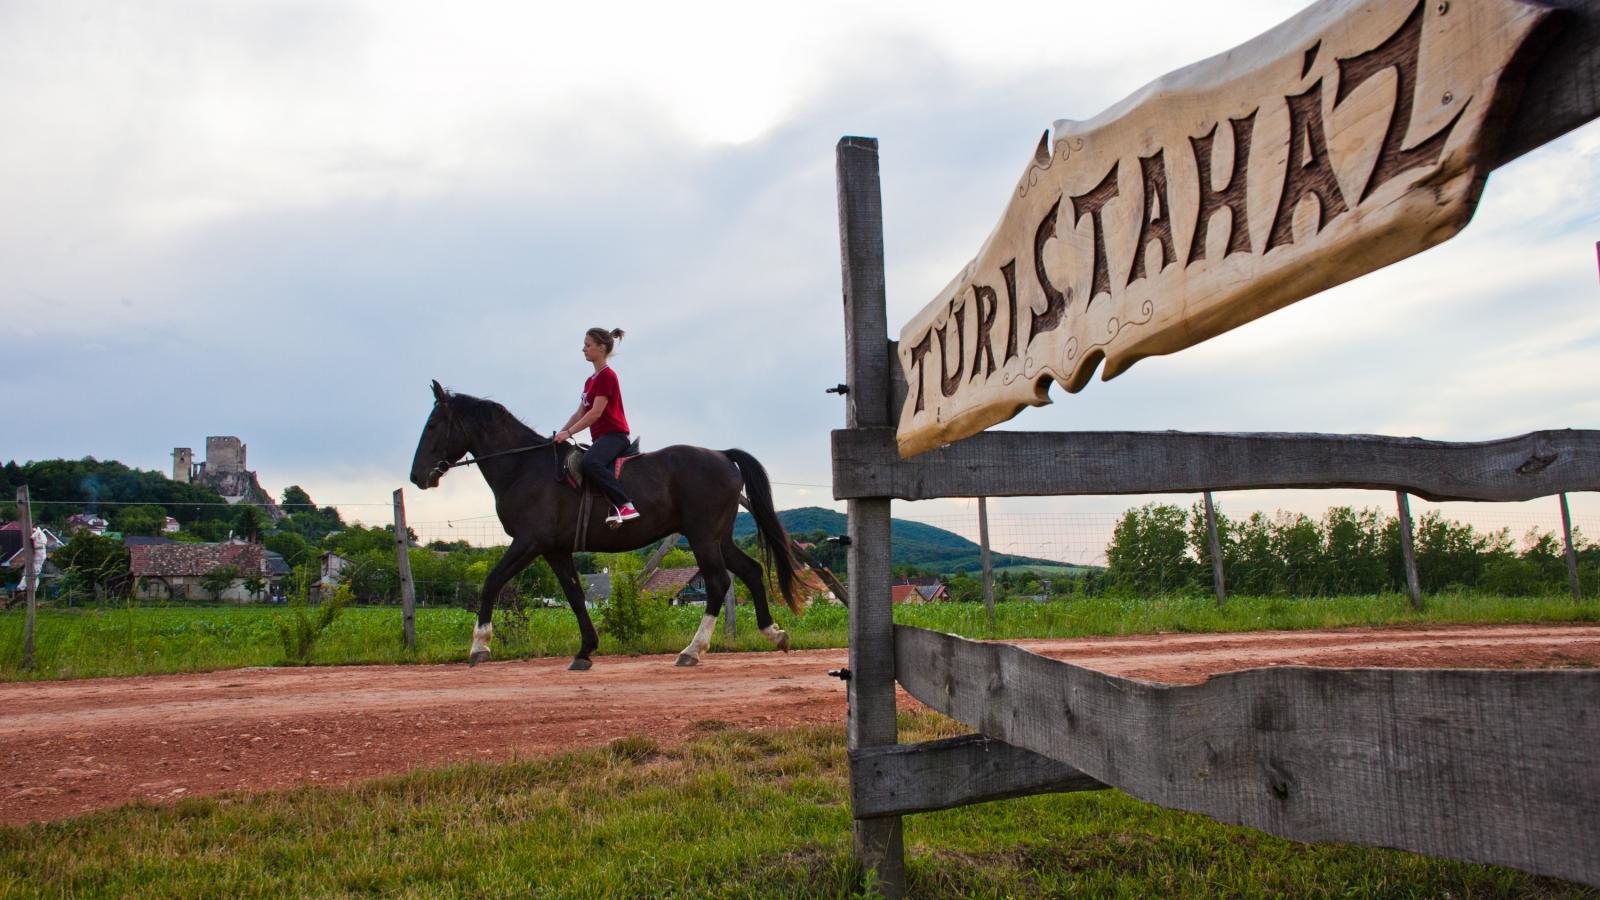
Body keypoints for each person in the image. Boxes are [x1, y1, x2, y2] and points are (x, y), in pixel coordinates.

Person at [554, 327, 639, 525]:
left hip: (614, 435)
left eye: (587, 345)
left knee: (589, 463)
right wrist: (561, 433)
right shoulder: (589, 381)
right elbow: (580, 413)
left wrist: (569, 432)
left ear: (601, 348)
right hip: (600, 438)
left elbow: (595, 412)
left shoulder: (607, 376)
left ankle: (626, 505)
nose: (583, 349)